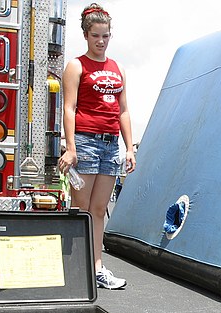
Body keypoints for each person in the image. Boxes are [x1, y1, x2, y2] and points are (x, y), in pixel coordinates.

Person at [58, 3, 136, 289]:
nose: (101, 41)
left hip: (110, 145)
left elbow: (123, 110)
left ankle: (97, 268)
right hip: (85, 143)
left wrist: (129, 147)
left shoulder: (118, 69)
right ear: (86, 35)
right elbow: (69, 107)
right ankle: (75, 268)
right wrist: (70, 147)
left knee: (99, 209)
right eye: (95, 36)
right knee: (80, 208)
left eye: (105, 36)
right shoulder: (76, 65)